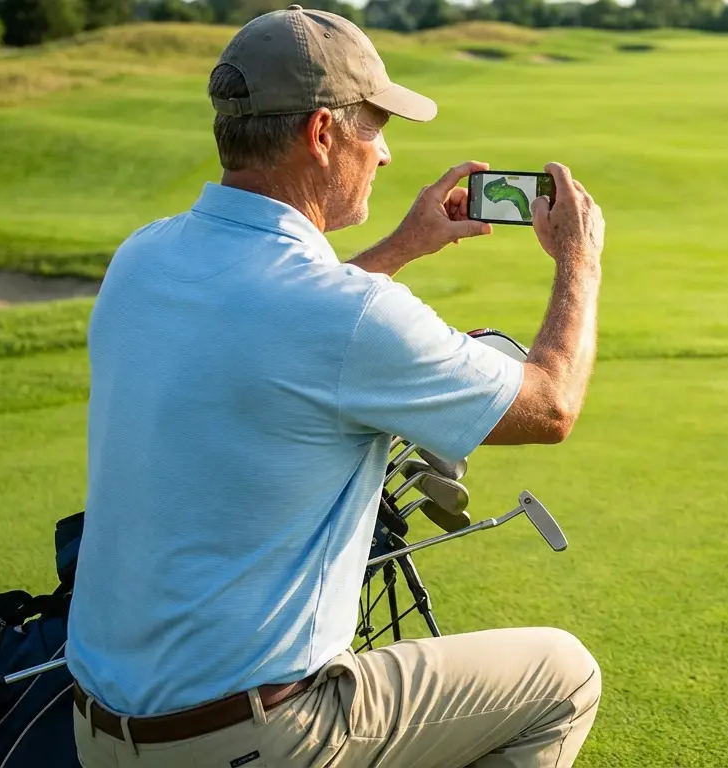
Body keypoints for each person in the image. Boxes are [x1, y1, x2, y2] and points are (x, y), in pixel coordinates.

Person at [65, 5, 606, 767]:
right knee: (564, 675)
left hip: (94, 733)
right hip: (257, 738)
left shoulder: (143, 257)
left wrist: (402, 246)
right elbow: (551, 406)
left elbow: (268, 326)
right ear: (323, 135)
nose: (383, 157)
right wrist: (580, 261)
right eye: (375, 128)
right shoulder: (347, 317)